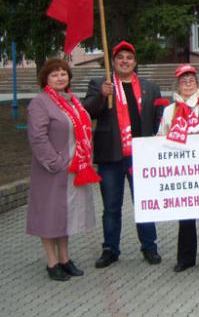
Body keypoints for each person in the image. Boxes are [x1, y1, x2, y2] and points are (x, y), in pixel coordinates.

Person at [83, 40, 165, 268]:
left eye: (129, 58)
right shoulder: (101, 83)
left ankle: (150, 246)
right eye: (120, 58)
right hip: (111, 155)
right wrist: (101, 95)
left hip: (142, 155)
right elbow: (87, 111)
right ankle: (110, 249)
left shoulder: (150, 86)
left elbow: (161, 117)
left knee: (145, 203)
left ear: (135, 62)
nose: (125, 61)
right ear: (114, 62)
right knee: (111, 206)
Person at [27, 58, 99, 281]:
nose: (60, 77)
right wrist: (56, 163)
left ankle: (65, 259)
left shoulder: (72, 102)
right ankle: (52, 262)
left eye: (63, 73)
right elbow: (37, 137)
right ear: (46, 79)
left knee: (64, 217)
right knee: (49, 217)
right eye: (54, 74)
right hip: (51, 171)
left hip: (74, 169)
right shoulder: (41, 102)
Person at [157, 64, 199, 272]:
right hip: (181, 171)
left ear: (198, 83)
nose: (187, 83)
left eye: (191, 80)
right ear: (177, 85)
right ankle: (185, 258)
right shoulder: (169, 110)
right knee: (185, 214)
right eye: (183, 80)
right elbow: (161, 137)